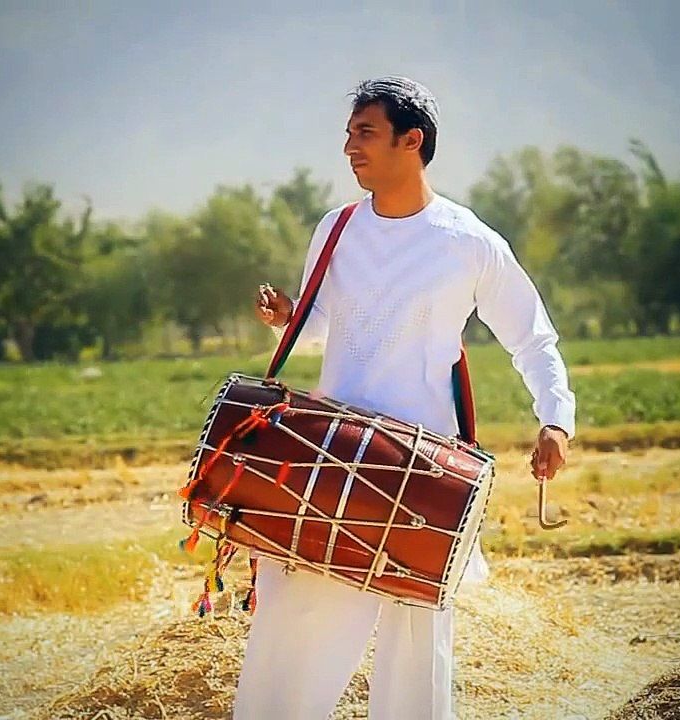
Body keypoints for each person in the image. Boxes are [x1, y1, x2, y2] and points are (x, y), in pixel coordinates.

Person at [238, 75, 576, 720]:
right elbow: (324, 327)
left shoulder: (469, 242)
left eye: (365, 132)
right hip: (330, 458)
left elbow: (533, 338)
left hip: (422, 473)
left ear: (411, 141)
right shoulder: (336, 229)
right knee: (289, 629)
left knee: (415, 655)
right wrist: (290, 317)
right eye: (348, 134)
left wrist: (555, 419)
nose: (349, 147)